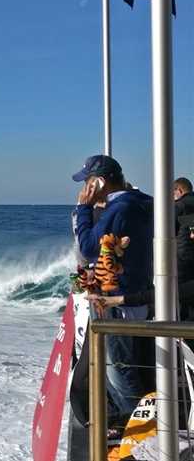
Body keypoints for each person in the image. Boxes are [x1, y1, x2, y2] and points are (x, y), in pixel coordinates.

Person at [72, 155, 154, 419]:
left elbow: (87, 248)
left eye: (87, 181)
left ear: (98, 181)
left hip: (116, 300)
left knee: (119, 370)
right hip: (133, 296)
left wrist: (84, 209)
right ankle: (134, 425)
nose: (84, 188)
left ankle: (143, 434)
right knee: (129, 367)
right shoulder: (140, 202)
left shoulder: (120, 209)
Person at [174, 177, 194, 319]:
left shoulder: (179, 206)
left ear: (178, 191)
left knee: (182, 304)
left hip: (182, 261)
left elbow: (168, 231)